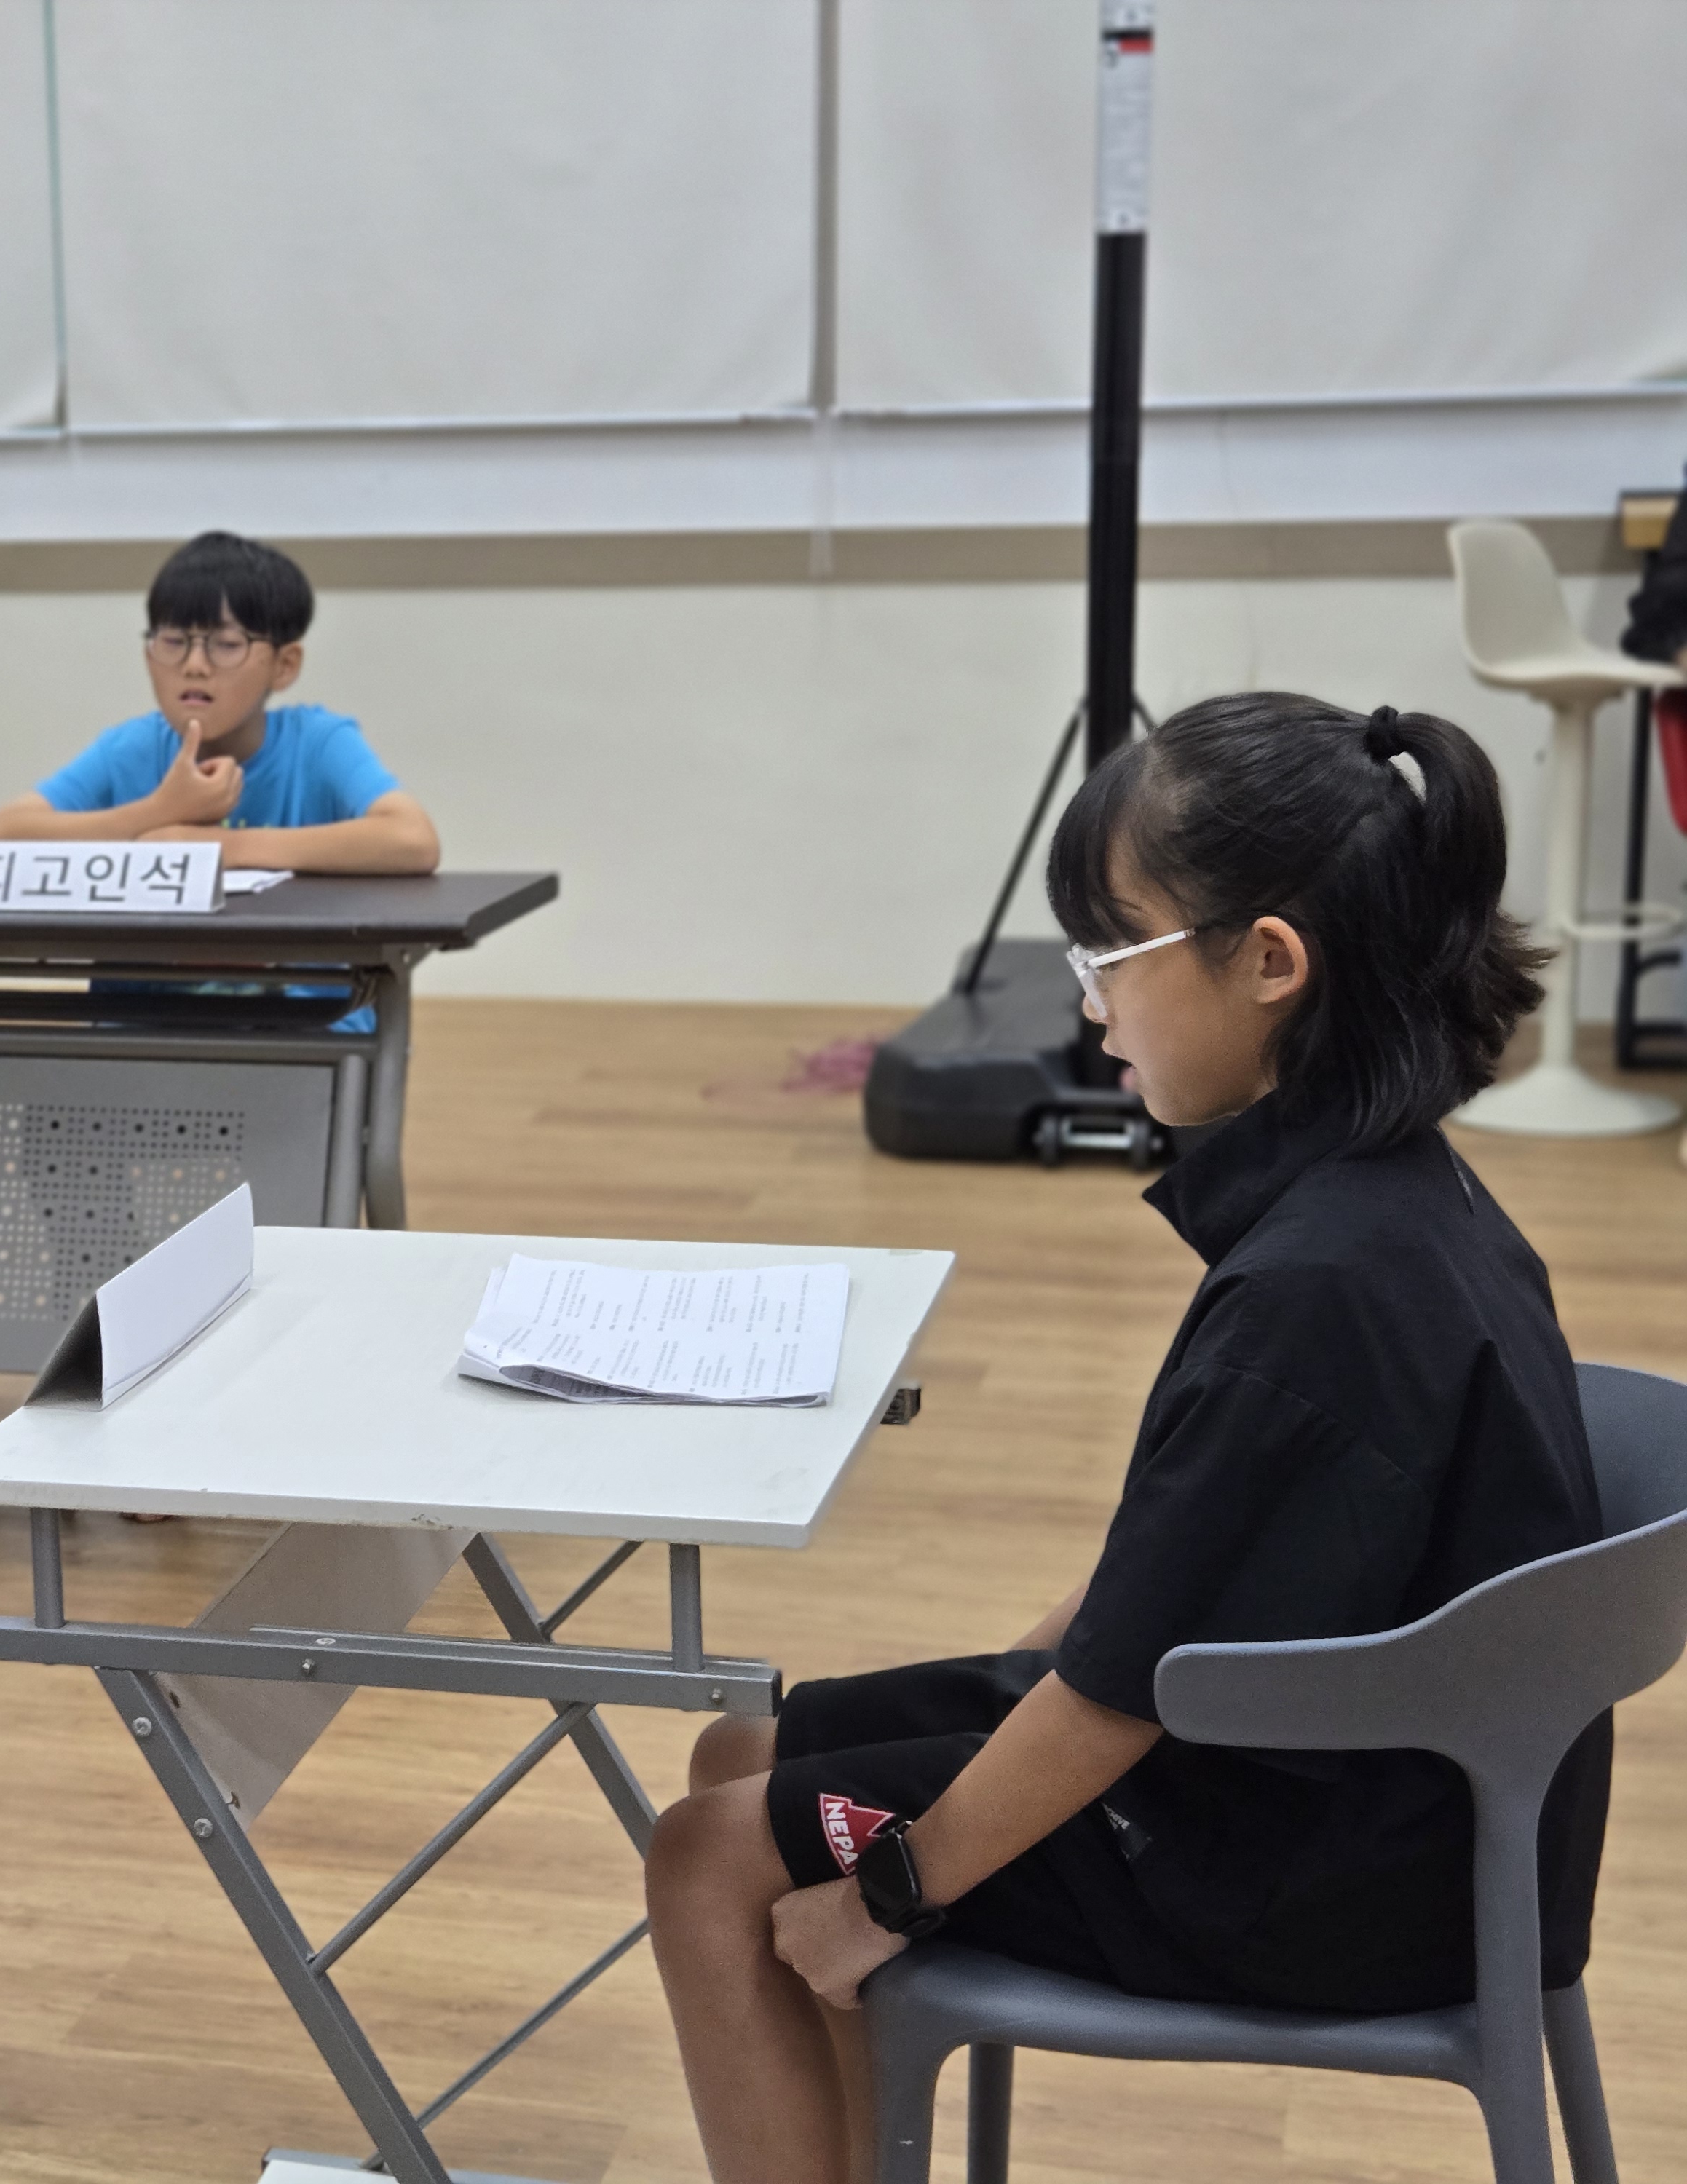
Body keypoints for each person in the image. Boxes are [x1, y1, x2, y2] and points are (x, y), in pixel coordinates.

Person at [643, 694, 1611, 2184]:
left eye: (1111, 956)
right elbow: (1163, 1585)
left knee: (708, 1855)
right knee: (746, 1755)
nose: (1090, 1006)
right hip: (1406, 1798)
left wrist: (888, 1894)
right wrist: (996, 1705)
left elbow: (1114, 1705)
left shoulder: (1317, 1295)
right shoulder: (1398, 1196)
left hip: (1331, 1878)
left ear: (1269, 962)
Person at [0, 530, 439, 873]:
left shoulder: (317, 744)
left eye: (227, 645)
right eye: (173, 641)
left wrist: (223, 848)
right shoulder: (132, 748)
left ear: (285, 665)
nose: (194, 665)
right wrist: (160, 811)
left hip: (300, 984)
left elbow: (413, 840)